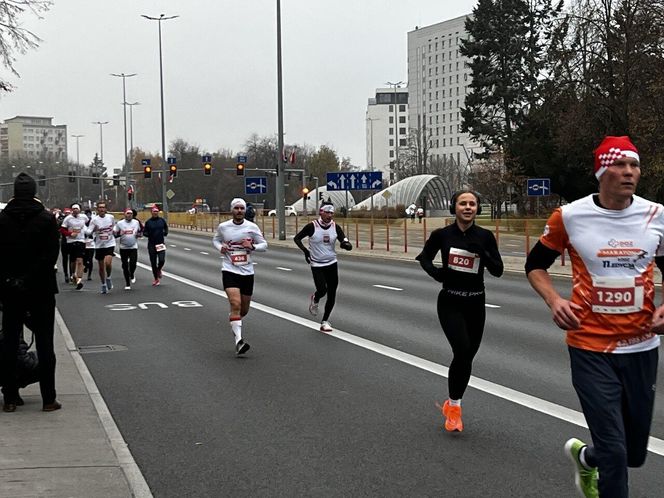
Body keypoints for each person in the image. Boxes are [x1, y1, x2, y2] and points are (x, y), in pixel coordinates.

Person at [525, 136, 664, 498]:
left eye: (634, 165)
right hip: (590, 347)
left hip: (642, 348)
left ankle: (587, 458)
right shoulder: (569, 217)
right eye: (621, 165)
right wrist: (554, 300)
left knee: (632, 453)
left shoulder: (656, 215)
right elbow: (534, 265)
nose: (630, 172)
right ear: (601, 171)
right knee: (616, 454)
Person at [416, 190, 503, 432]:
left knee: (467, 357)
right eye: (463, 203)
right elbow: (423, 258)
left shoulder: (485, 236)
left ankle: (452, 402)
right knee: (462, 350)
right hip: (450, 302)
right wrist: (437, 274)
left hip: (476, 303)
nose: (467, 207)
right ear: (454, 207)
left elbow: (498, 270)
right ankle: (454, 409)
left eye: (472, 204)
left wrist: (483, 253)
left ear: (478, 209)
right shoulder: (442, 235)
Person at [0, 173, 61, 412]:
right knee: (46, 344)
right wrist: (29, 279)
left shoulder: (2, 220)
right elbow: (50, 257)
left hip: (9, 290)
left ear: (13, 193)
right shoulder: (46, 220)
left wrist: (10, 280)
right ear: (35, 192)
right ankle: (48, 398)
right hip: (41, 289)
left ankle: (10, 397)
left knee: (10, 343)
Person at [212, 198, 267, 355]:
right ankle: (239, 341)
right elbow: (215, 239)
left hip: (247, 271)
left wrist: (253, 246)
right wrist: (220, 247)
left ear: (245, 210)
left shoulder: (252, 227)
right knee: (235, 303)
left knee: (244, 309)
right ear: (232, 210)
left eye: (242, 208)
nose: (239, 211)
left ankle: (235, 321)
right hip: (229, 269)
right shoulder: (224, 227)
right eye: (236, 208)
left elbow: (265, 245)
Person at [294, 201, 352, 332]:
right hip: (317, 264)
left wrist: (346, 245)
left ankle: (325, 321)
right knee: (322, 290)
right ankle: (315, 298)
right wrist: (305, 251)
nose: (330, 215)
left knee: (332, 293)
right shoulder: (312, 226)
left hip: (331, 263)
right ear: (321, 212)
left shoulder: (335, 227)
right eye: (327, 212)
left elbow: (345, 240)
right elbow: (297, 238)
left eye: (332, 213)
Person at [89, 201, 116, 294]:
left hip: (110, 243)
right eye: (100, 208)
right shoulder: (94, 220)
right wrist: (94, 229)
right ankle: (103, 284)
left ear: (106, 209)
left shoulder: (111, 217)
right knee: (101, 267)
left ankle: (108, 277)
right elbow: (88, 231)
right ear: (97, 209)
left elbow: (114, 227)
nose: (102, 209)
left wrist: (115, 231)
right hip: (99, 245)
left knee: (108, 263)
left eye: (103, 207)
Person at [60, 204, 87, 290]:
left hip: (81, 240)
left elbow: (89, 224)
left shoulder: (84, 217)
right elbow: (62, 229)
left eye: (77, 209)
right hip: (71, 241)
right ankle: (72, 274)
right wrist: (70, 234)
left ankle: (79, 280)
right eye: (73, 209)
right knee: (73, 261)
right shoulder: (68, 219)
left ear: (79, 210)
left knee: (80, 260)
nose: (75, 210)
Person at [114, 208, 141, 290]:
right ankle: (127, 283)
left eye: (131, 214)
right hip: (123, 247)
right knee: (125, 266)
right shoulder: (120, 223)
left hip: (133, 246)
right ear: (124, 214)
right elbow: (115, 234)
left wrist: (139, 234)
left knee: (133, 263)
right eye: (128, 213)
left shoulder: (136, 222)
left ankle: (132, 273)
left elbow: (140, 231)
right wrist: (119, 234)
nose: (129, 215)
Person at [143, 206, 168, 286]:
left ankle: (159, 269)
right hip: (152, 244)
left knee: (162, 260)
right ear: (151, 212)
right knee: (153, 262)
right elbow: (145, 232)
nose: (155, 213)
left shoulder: (162, 221)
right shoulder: (148, 222)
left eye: (156, 211)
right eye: (154, 211)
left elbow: (166, 228)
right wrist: (148, 234)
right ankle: (156, 279)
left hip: (160, 243)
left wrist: (165, 233)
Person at [83, 209, 95, 281]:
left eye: (89, 214)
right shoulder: (82, 223)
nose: (88, 216)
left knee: (90, 259)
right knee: (84, 259)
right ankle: (86, 266)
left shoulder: (93, 223)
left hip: (91, 244)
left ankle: (89, 275)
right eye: (86, 214)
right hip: (83, 243)